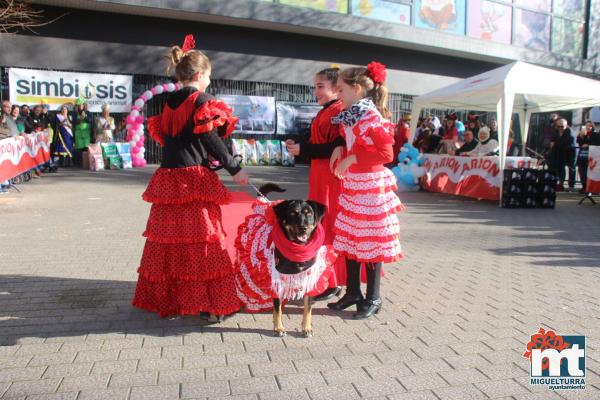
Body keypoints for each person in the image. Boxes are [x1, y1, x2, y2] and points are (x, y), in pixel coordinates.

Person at [132, 35, 248, 319]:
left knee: (170, 243)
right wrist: (235, 168)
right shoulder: (202, 100)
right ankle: (212, 305)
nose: (210, 79)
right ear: (199, 74)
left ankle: (171, 301)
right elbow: (210, 138)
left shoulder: (169, 102)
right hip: (193, 181)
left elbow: (181, 139)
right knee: (204, 242)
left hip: (168, 180)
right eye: (209, 74)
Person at [326, 62, 404, 320]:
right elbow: (351, 140)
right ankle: (353, 292)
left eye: (341, 89)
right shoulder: (352, 113)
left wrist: (353, 159)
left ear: (357, 89)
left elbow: (386, 153)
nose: (338, 94)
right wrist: (340, 148)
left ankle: (374, 297)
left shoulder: (371, 116)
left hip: (370, 186)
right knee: (351, 238)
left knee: (370, 241)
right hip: (355, 185)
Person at [284, 67, 344, 300]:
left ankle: (333, 281)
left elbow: (335, 148)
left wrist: (303, 149)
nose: (316, 91)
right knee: (321, 225)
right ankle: (329, 279)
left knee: (328, 225)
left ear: (336, 88)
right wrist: (298, 145)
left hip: (330, 178)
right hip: (320, 176)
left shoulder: (338, 111)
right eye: (315, 86)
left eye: (321, 86)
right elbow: (317, 143)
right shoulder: (327, 111)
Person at [548, 118, 574, 191]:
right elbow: (552, 141)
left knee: (563, 169)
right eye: (558, 126)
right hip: (556, 153)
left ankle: (563, 184)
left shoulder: (569, 132)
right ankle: (554, 183)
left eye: (562, 126)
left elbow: (564, 142)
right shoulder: (555, 131)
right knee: (553, 167)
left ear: (566, 125)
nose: (560, 128)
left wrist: (556, 143)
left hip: (566, 154)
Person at [577, 120, 600, 193]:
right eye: (586, 125)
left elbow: (596, 144)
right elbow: (579, 142)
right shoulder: (582, 134)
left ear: (592, 127)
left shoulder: (595, 134)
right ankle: (584, 186)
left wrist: (588, 145)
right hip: (582, 156)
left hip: (591, 158)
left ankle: (590, 188)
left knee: (591, 173)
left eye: (590, 126)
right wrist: (581, 135)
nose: (588, 127)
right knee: (582, 171)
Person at [73, 97, 92, 166]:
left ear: (84, 105)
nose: (80, 106)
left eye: (82, 105)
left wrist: (85, 117)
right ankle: (79, 163)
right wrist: (81, 118)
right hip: (78, 133)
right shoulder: (75, 113)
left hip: (86, 133)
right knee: (79, 149)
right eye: (79, 105)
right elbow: (74, 122)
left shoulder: (88, 113)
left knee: (86, 148)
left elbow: (90, 121)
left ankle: (86, 163)